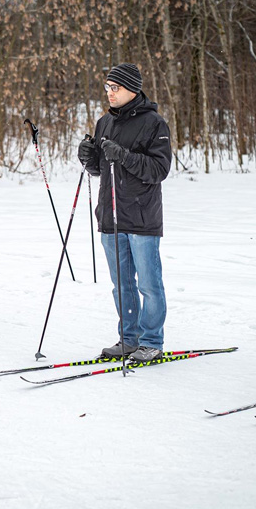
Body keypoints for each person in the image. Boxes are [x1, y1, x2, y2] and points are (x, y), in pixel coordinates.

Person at [77, 63, 172, 362]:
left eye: (114, 87)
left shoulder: (154, 123)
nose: (109, 93)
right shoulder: (104, 122)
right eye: (107, 87)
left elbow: (159, 170)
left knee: (148, 284)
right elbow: (100, 170)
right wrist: (89, 158)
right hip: (110, 216)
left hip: (141, 218)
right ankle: (128, 338)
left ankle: (151, 340)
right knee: (122, 284)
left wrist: (125, 156)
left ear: (132, 88)